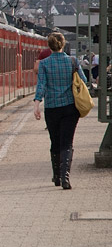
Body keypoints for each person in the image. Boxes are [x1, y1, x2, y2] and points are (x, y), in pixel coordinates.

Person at [33, 32, 87, 190]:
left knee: (55, 141)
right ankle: (65, 178)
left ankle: (56, 176)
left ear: (49, 46)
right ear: (63, 45)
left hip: (51, 108)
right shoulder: (72, 61)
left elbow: (41, 86)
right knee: (67, 143)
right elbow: (83, 81)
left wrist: (36, 105)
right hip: (70, 108)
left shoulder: (44, 64)